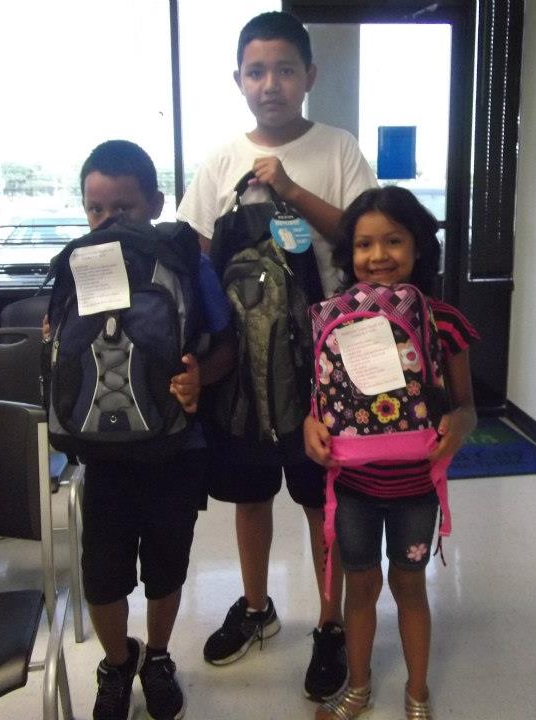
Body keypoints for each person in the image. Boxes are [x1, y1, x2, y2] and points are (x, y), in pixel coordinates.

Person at [176, 10, 378, 703]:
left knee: (321, 497)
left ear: (309, 76)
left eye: (285, 69)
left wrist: (289, 189)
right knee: (249, 491)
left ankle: (328, 621)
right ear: (238, 79)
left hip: (325, 357)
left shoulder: (338, 148)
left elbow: (363, 238)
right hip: (241, 361)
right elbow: (195, 256)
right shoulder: (219, 160)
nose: (271, 84)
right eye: (257, 71)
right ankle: (257, 606)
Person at [49, 140, 234, 720]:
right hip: (102, 451)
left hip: (177, 445)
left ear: (155, 204)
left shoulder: (186, 263)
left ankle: (157, 656)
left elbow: (226, 344)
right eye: (95, 209)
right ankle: (116, 661)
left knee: (165, 567)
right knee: (101, 577)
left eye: (124, 208)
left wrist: (200, 377)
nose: (108, 221)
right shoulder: (77, 265)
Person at [304, 186, 479, 720]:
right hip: (353, 486)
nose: (378, 255)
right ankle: (357, 689)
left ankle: (417, 691)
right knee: (359, 587)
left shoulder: (444, 320)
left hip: (415, 488)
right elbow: (319, 399)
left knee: (409, 586)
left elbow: (468, 408)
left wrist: (459, 423)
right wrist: (310, 426)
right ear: (349, 253)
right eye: (363, 244)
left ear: (419, 246)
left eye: (394, 241)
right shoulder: (333, 317)